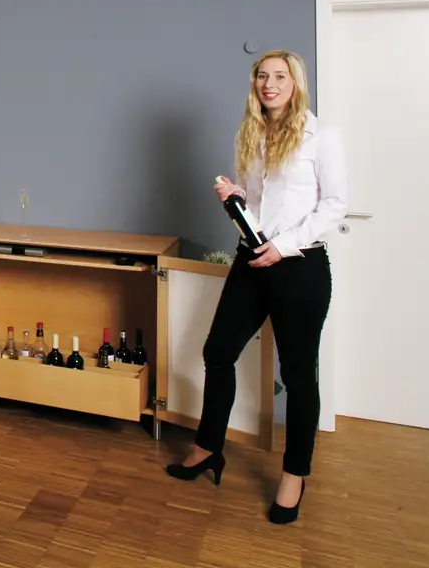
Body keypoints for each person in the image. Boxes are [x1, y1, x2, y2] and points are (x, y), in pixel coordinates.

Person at [166, 49, 347, 525]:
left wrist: (282, 247)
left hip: (299, 266)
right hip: (251, 260)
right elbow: (261, 206)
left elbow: (334, 205)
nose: (270, 84)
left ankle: (295, 475)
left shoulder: (321, 135)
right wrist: (236, 198)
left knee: (299, 375)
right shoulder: (252, 133)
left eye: (279, 76)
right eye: (262, 76)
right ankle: (208, 447)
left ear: (295, 83)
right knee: (218, 353)